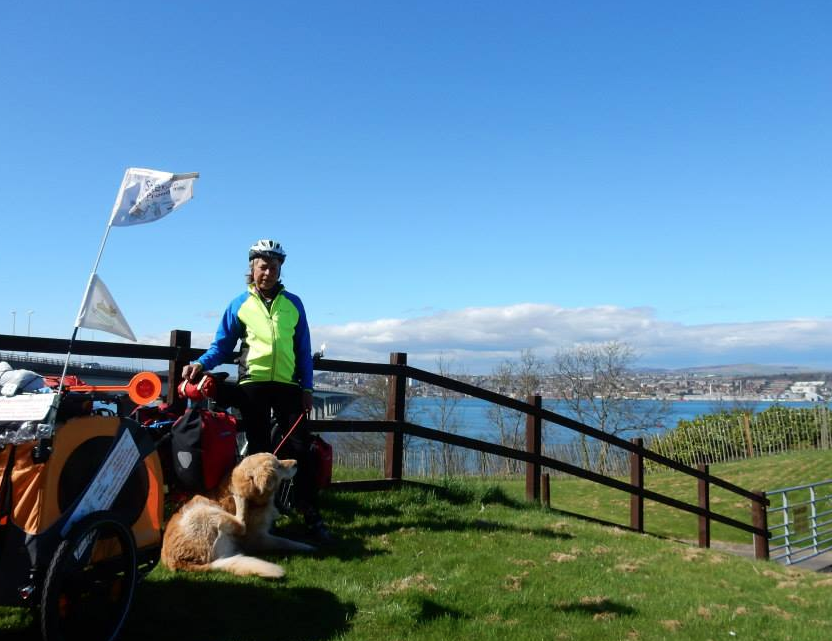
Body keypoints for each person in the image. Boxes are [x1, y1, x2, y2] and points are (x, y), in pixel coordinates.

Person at [182, 239, 331, 542]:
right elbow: (221, 346)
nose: (268, 272)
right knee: (260, 451)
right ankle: (262, 517)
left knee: (302, 450)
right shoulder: (240, 304)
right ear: (252, 268)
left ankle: (309, 511)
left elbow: (303, 350)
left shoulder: (294, 304)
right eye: (262, 266)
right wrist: (200, 363)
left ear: (280, 270)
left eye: (273, 267)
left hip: (289, 385)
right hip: (254, 385)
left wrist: (307, 387)